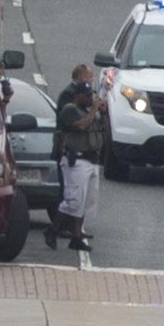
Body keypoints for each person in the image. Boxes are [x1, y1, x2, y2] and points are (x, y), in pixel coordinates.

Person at [48, 82, 101, 252]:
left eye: (91, 95)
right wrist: (94, 110)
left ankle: (76, 237)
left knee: (85, 202)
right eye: (86, 96)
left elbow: (102, 131)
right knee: (73, 200)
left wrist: (104, 114)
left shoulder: (90, 112)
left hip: (92, 160)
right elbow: (80, 126)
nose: (90, 99)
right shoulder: (70, 110)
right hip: (75, 160)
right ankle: (52, 230)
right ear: (77, 96)